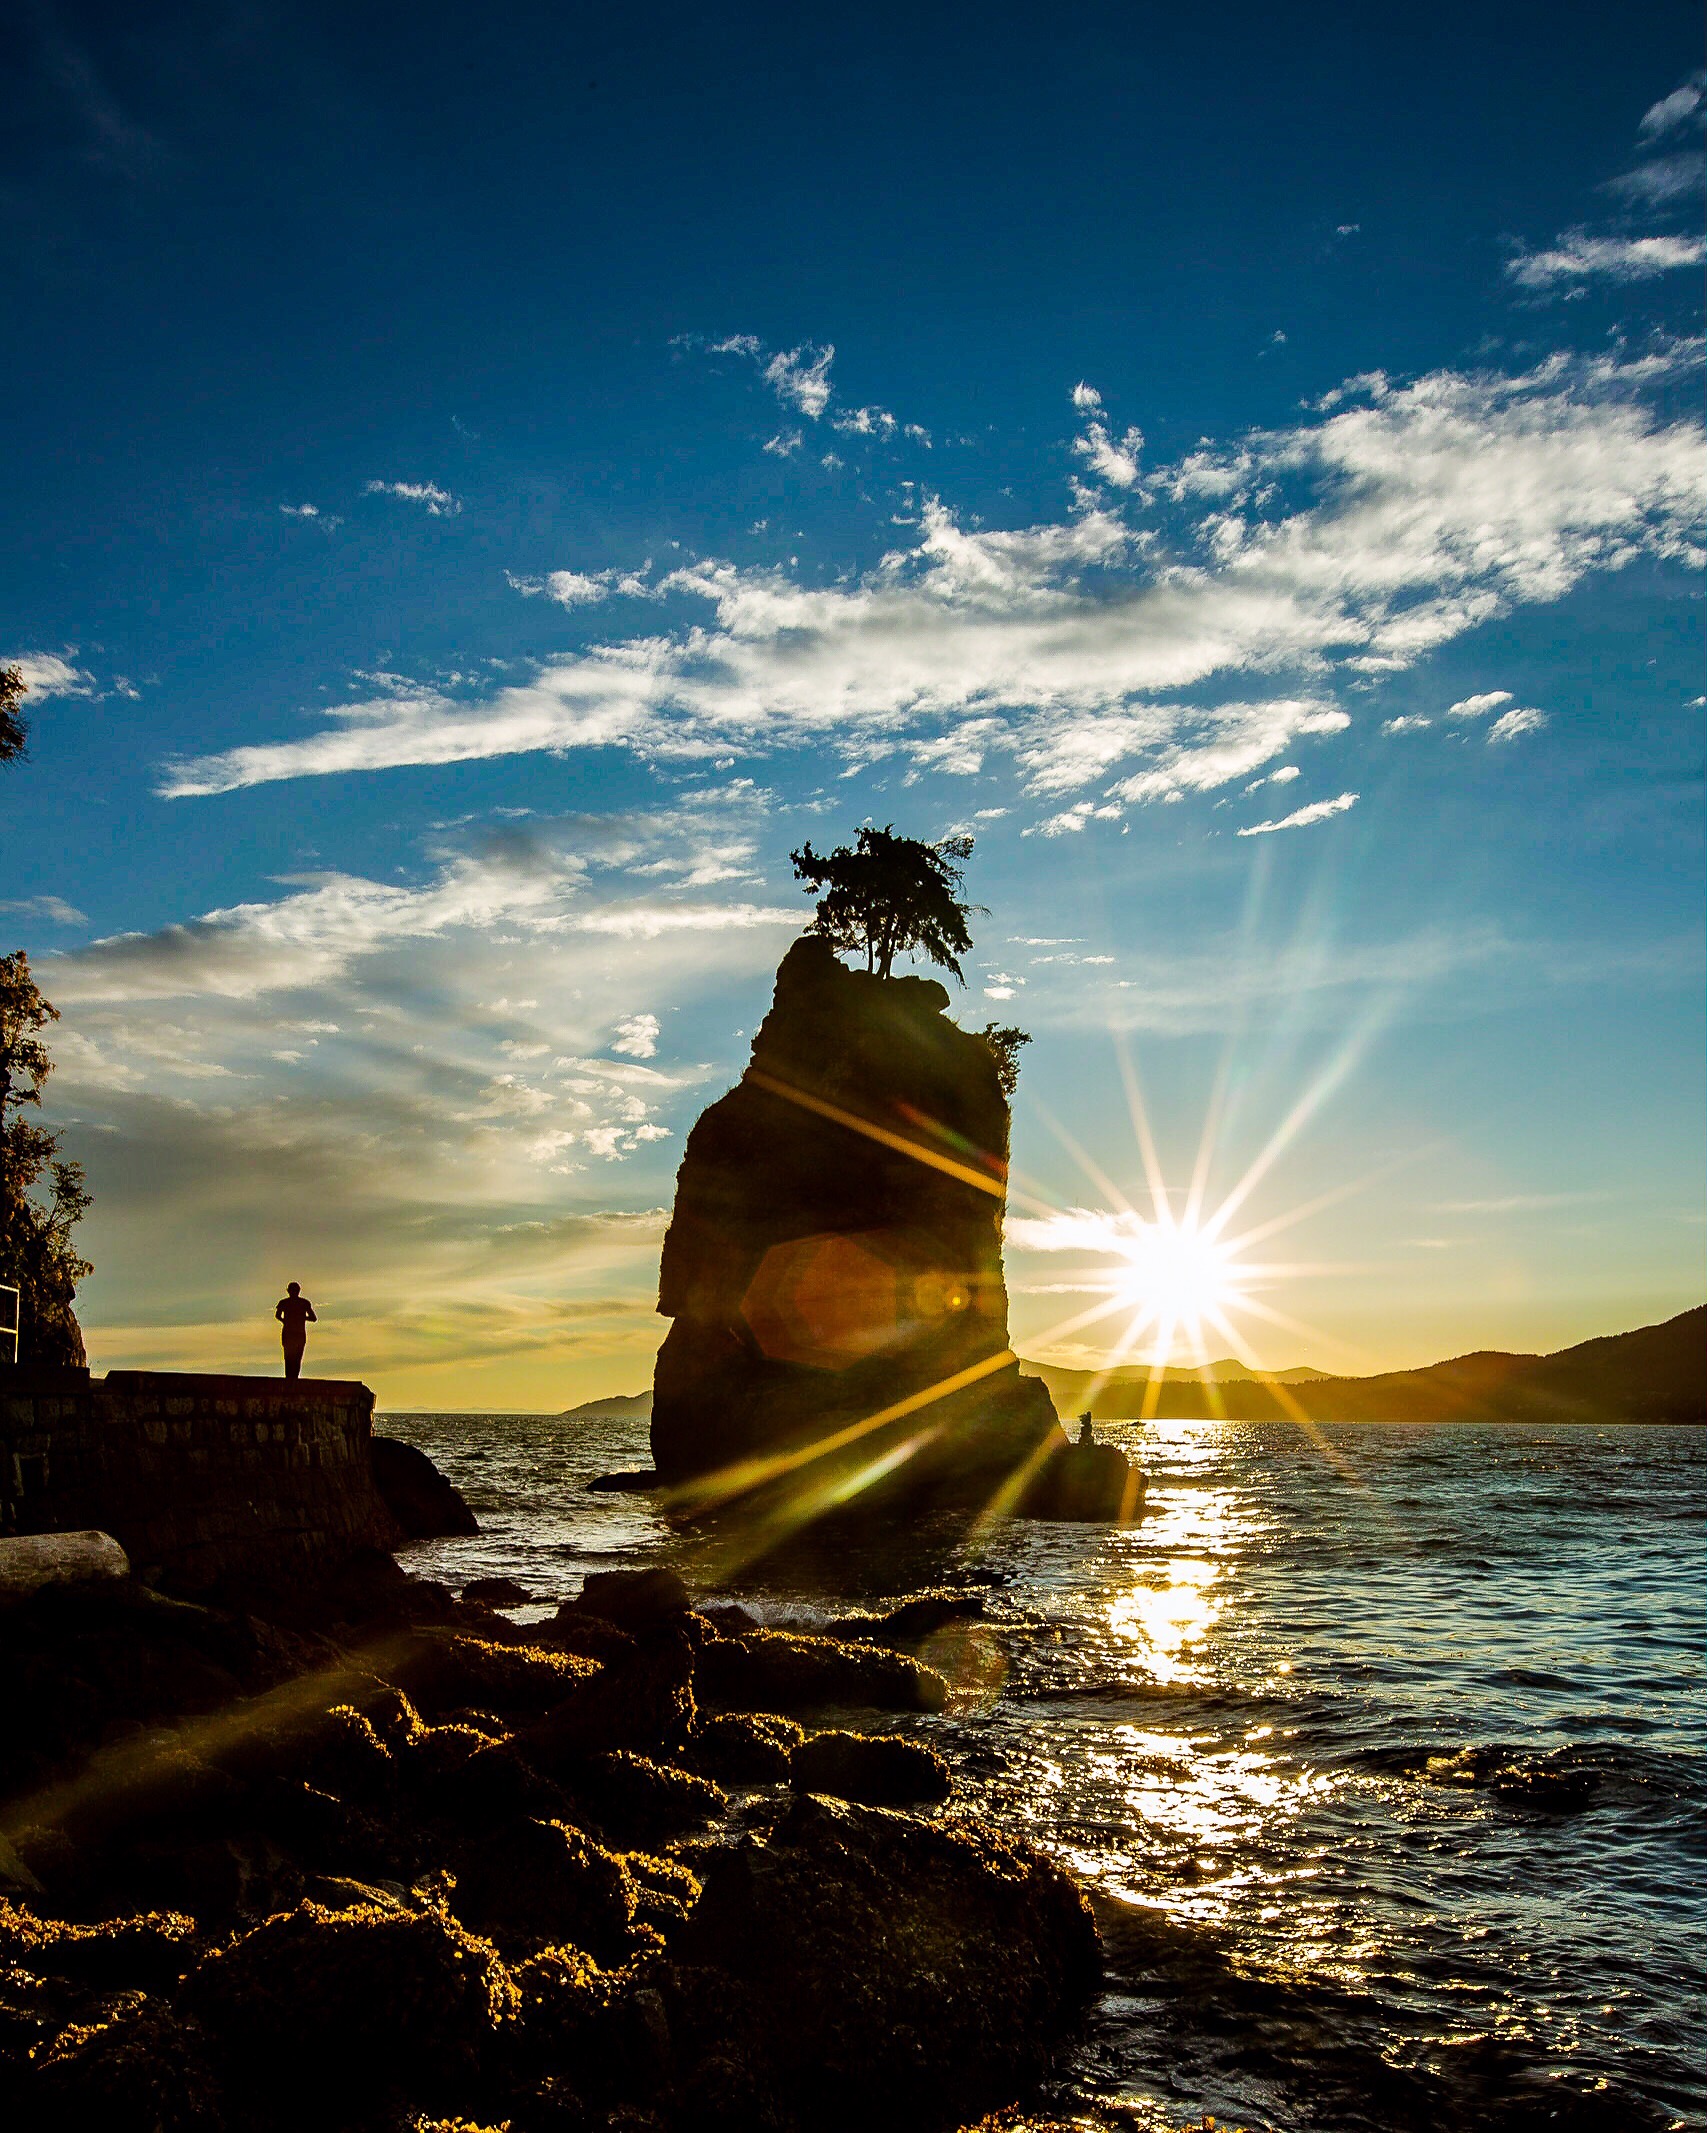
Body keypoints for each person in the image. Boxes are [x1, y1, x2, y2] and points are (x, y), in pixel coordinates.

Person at [275, 1282, 317, 1379]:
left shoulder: (299, 1303)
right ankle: (291, 1378)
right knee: (291, 1357)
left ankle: (292, 1378)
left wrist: (300, 1318)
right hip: (293, 1333)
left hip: (295, 1333)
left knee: (293, 1357)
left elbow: (313, 1318)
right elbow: (277, 1315)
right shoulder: (289, 1303)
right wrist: (286, 1321)